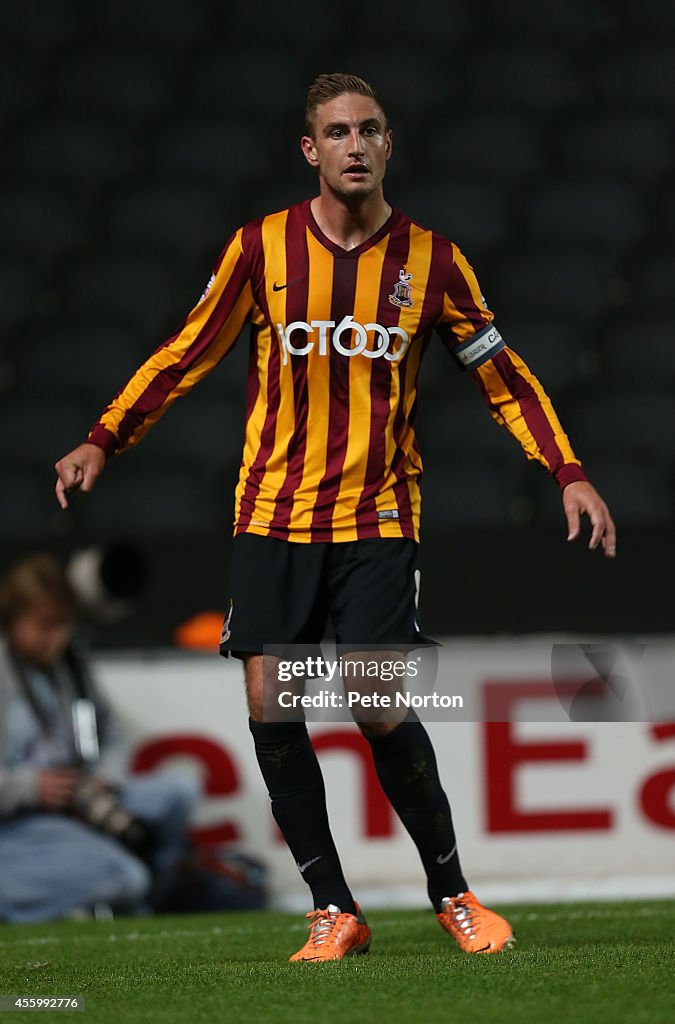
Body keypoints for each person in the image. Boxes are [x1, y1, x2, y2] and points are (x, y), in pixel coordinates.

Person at [54, 73, 616, 959]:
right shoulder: (261, 249)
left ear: (389, 144)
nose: (355, 144)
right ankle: (332, 909)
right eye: (337, 132)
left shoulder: (434, 261)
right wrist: (103, 438)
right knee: (272, 710)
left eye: (370, 129)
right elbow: (185, 352)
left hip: (378, 516)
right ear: (310, 150)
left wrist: (567, 472)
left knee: (376, 705)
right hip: (272, 513)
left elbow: (502, 377)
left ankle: (453, 894)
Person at [0, 554, 200, 922]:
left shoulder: (69, 666)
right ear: (14, 619)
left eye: (63, 626)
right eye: (45, 626)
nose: (56, 638)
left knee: (178, 792)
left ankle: (154, 901)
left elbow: (112, 733)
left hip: (82, 794)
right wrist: (31, 788)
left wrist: (108, 775)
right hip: (21, 819)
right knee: (125, 877)